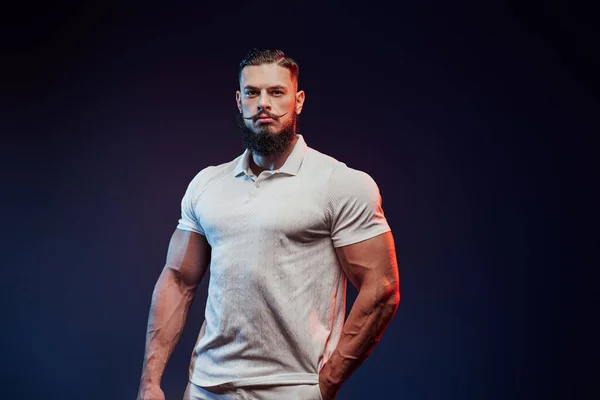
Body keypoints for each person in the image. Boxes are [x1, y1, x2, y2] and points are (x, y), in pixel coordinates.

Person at [137, 48, 400, 400]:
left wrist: (326, 385)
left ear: (298, 100)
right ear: (239, 100)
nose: (263, 103)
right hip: (206, 388)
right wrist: (150, 382)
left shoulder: (340, 183)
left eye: (276, 92)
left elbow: (381, 289)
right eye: (252, 93)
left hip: (292, 390)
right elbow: (178, 280)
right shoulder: (207, 184)